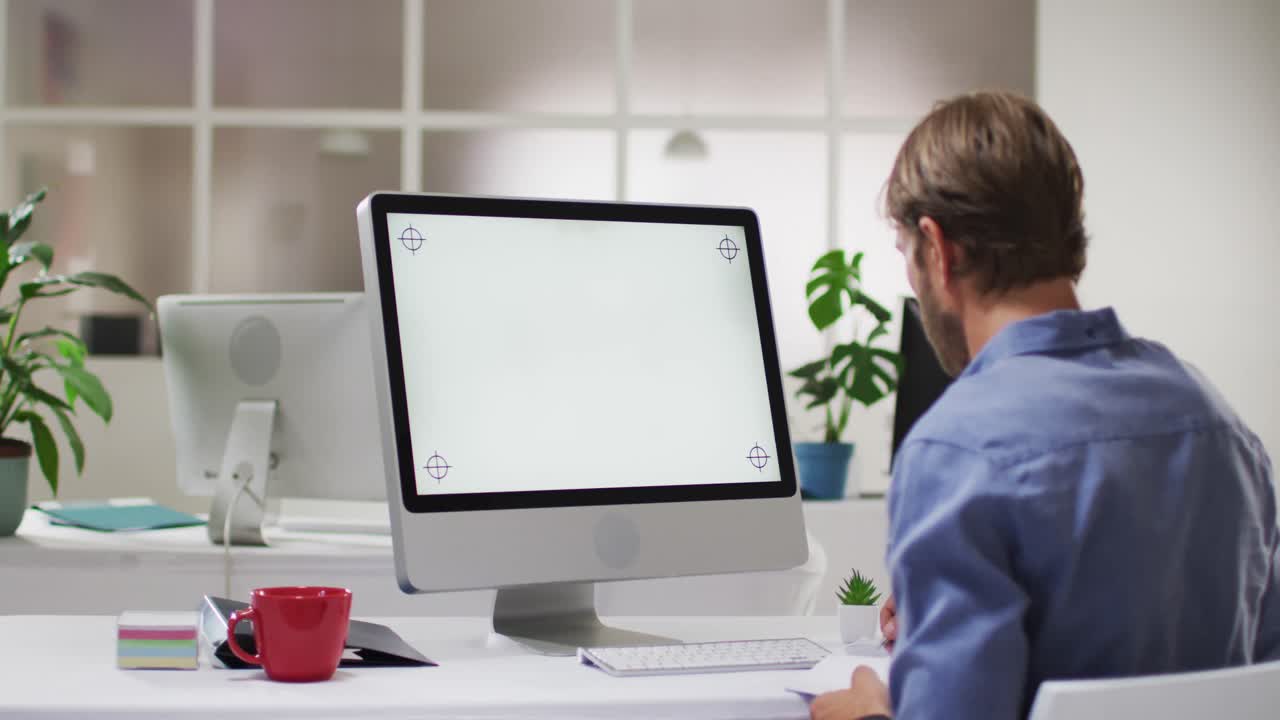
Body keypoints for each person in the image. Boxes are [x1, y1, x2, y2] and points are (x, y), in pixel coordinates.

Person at [809, 90, 1279, 720]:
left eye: (908, 259)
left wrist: (868, 714)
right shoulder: (1219, 423)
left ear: (938, 248)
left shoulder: (956, 450)